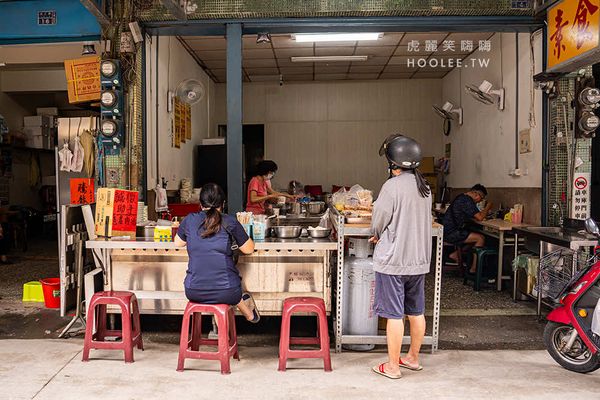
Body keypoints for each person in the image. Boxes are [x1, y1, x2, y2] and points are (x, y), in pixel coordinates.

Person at [369, 134, 432, 380]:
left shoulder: (391, 186)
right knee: (416, 311)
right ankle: (412, 358)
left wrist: (375, 234)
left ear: (392, 161)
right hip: (418, 261)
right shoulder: (424, 186)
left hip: (394, 261)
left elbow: (379, 220)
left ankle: (393, 366)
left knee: (394, 315)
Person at [174, 183, 260, 322]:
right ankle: (249, 315)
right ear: (223, 203)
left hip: (193, 291)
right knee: (230, 287)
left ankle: (242, 318)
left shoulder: (189, 220)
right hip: (228, 291)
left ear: (200, 203)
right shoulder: (230, 221)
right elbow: (248, 249)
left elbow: (178, 243)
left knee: (223, 285)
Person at [442, 184, 493, 274]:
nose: (479, 202)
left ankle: (456, 255)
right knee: (480, 238)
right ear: (476, 194)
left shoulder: (462, 197)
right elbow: (480, 217)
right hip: (451, 233)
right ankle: (473, 269)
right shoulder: (467, 201)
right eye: (481, 199)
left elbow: (473, 215)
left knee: (472, 234)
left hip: (447, 230)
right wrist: (488, 206)